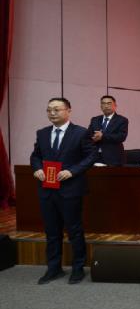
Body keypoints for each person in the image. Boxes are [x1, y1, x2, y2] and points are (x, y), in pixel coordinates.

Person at [30, 97, 97, 285]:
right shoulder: (42, 133)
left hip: (70, 189)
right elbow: (35, 156)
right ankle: (53, 268)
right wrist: (37, 169)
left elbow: (91, 155)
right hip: (47, 189)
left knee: (74, 230)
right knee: (51, 231)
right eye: (49, 110)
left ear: (68, 111)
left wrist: (72, 171)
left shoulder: (81, 133)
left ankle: (78, 268)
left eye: (57, 109)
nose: (52, 113)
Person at [87, 95, 129, 166]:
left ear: (115, 106)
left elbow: (121, 137)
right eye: (103, 103)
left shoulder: (122, 120)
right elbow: (88, 135)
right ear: (101, 106)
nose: (106, 106)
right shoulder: (95, 119)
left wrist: (103, 136)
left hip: (113, 158)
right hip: (95, 156)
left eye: (109, 103)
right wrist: (93, 138)